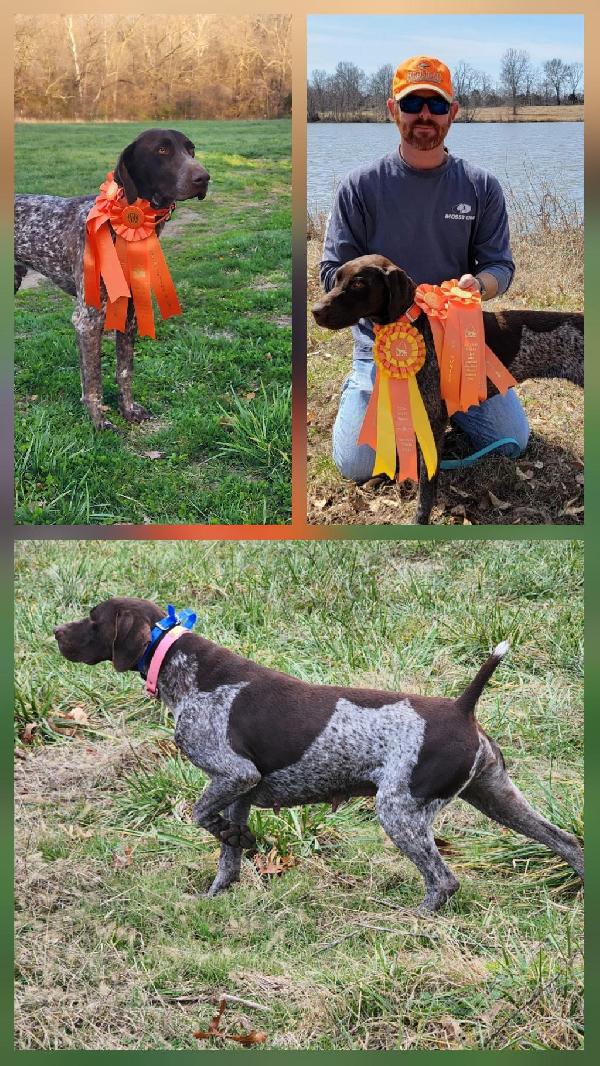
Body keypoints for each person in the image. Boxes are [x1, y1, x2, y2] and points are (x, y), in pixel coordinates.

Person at [320, 54, 530, 482]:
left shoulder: (481, 185)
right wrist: (375, 294)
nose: (424, 116)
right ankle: (370, 391)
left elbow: (499, 265)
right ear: (392, 110)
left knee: (512, 441)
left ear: (452, 112)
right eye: (412, 103)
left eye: (436, 105)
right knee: (356, 465)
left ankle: (440, 406)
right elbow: (331, 271)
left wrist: (480, 286)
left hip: (460, 350)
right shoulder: (360, 186)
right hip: (382, 351)